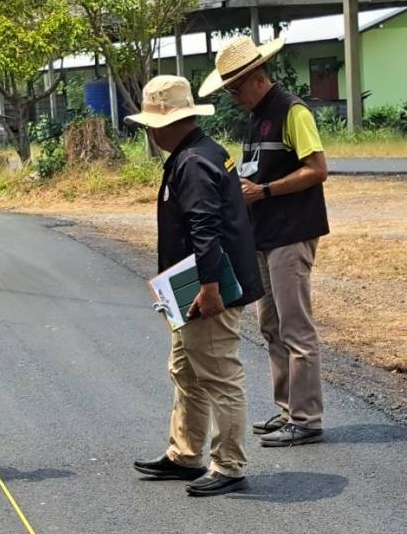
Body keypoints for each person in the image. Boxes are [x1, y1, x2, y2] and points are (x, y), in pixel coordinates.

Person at [127, 76, 264, 498]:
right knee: (186, 369)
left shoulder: (193, 163)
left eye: (153, 122)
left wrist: (208, 289)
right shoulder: (203, 153)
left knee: (219, 373)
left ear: (172, 122)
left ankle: (229, 464)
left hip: (207, 286)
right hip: (189, 284)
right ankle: (185, 453)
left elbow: (206, 229)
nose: (149, 131)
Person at [200, 36, 330, 447]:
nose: (233, 97)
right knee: (270, 324)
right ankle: (288, 409)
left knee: (296, 326)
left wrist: (265, 191)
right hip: (265, 233)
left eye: (236, 88)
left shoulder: (293, 111)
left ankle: (307, 418)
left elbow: (318, 169)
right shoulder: (257, 117)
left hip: (291, 231)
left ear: (257, 78)